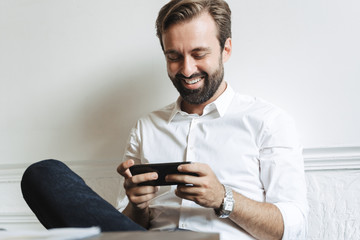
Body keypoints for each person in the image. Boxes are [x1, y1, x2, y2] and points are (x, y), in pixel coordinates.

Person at [21, 0, 308, 240]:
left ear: (226, 49)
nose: (186, 69)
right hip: (152, 237)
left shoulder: (267, 122)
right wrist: (138, 205)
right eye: (174, 56)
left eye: (199, 54)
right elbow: (126, 226)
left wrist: (223, 198)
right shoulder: (147, 126)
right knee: (43, 174)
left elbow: (293, 227)